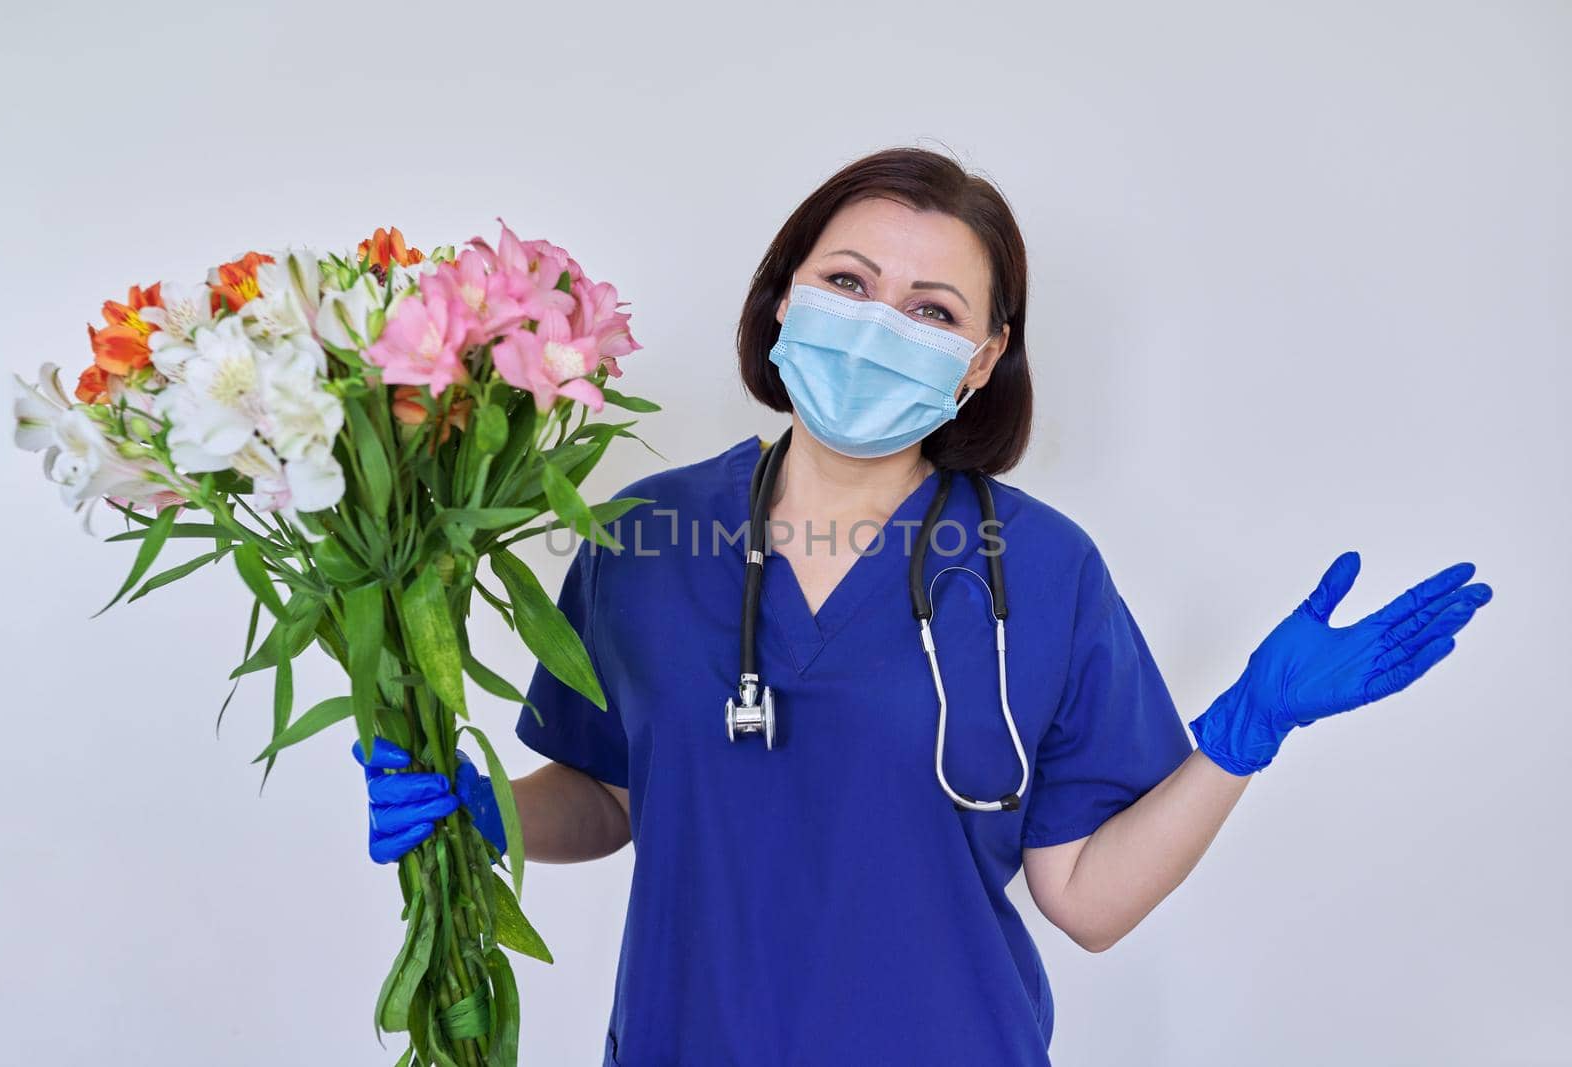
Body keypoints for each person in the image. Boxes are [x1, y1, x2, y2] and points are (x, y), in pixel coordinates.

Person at [353, 146, 1494, 1065]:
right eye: (848, 284)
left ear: (984, 359)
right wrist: (482, 805)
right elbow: (609, 794)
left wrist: (1242, 736)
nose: (879, 324)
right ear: (782, 295)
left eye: (932, 309)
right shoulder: (643, 535)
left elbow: (1086, 898)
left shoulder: (1042, 570)